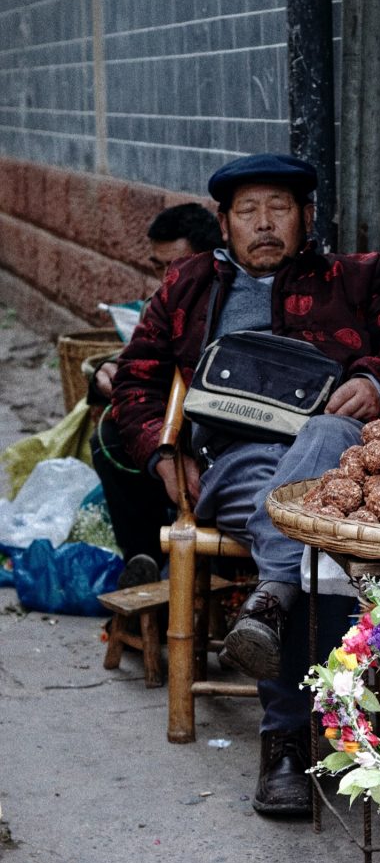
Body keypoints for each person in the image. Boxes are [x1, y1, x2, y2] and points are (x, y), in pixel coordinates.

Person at [111, 153, 380, 814]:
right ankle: (308, 722)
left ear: (306, 217)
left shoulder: (356, 277)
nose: (264, 224)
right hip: (235, 464)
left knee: (320, 451)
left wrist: (373, 378)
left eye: (279, 209)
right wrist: (161, 454)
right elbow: (136, 380)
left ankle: (284, 722)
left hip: (336, 460)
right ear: (224, 223)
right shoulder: (188, 286)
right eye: (247, 212)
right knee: (311, 541)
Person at [89, 204, 223, 581]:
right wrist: (104, 374)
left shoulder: (222, 298)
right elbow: (136, 364)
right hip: (166, 429)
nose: (165, 277)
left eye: (174, 265)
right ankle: (143, 557)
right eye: (157, 266)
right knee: (110, 440)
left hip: (211, 432)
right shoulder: (163, 302)